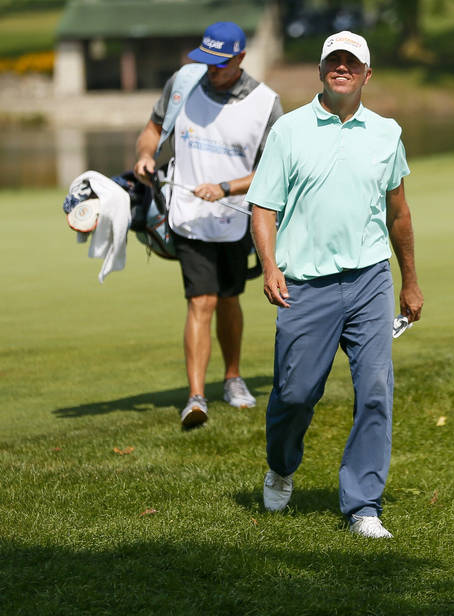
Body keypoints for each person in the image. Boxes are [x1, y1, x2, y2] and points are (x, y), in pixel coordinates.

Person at [246, 31, 423, 538]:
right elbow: (263, 208)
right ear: (321, 70)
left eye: (352, 63)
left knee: (374, 391)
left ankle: (363, 506)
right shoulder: (290, 131)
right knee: (296, 394)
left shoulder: (387, 133)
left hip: (369, 279)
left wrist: (409, 281)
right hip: (305, 285)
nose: (341, 68)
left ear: (367, 75)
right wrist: (270, 264)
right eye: (333, 61)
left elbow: (399, 212)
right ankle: (281, 467)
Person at [134, 22, 283, 429]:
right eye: (207, 61)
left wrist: (226, 187)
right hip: (186, 216)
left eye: (220, 64)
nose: (211, 70)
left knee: (230, 298)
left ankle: (232, 377)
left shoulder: (265, 103)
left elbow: (275, 171)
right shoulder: (183, 83)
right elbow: (152, 129)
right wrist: (147, 155)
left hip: (235, 221)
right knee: (202, 301)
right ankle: (195, 397)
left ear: (240, 59)